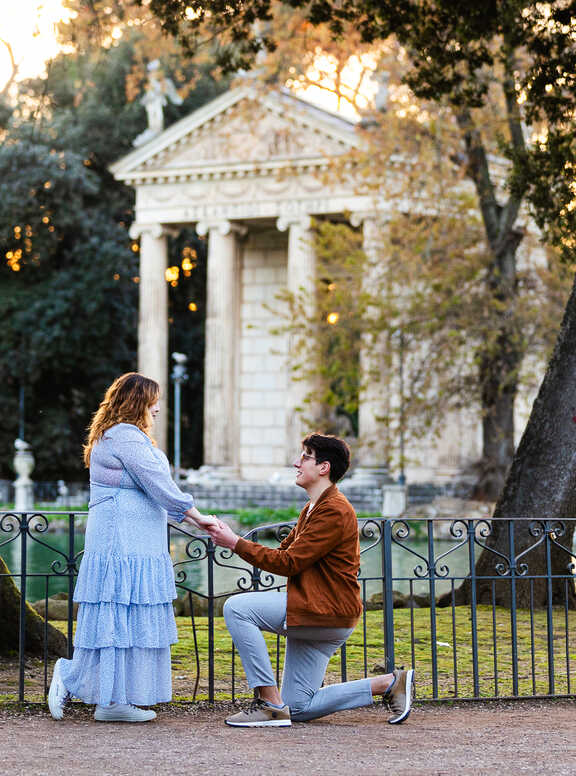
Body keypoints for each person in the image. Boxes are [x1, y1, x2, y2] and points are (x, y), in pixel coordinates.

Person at [206, 432, 414, 727]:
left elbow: (290, 563)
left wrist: (235, 543)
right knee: (300, 707)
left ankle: (268, 703)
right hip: (317, 613)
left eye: (305, 456)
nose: (296, 463)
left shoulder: (334, 510)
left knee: (237, 608)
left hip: (325, 612)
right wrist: (233, 539)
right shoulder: (314, 507)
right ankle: (389, 684)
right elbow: (282, 554)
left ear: (323, 467)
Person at [48, 372, 217, 723]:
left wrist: (187, 515)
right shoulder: (124, 436)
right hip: (119, 543)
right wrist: (198, 517)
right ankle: (78, 680)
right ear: (138, 402)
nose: (158, 408)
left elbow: (153, 487)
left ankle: (114, 698)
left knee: (125, 620)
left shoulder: (126, 437)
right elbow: (159, 484)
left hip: (134, 545)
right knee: (116, 616)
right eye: (153, 401)